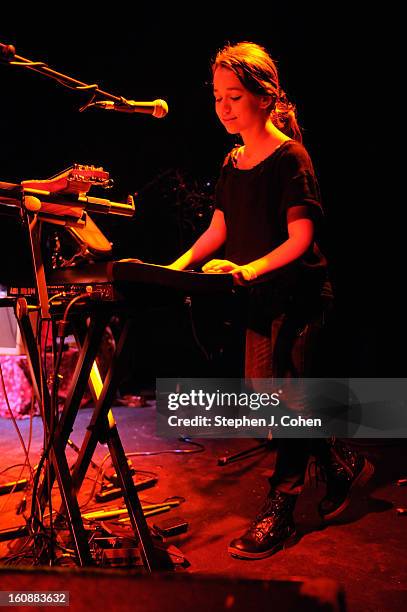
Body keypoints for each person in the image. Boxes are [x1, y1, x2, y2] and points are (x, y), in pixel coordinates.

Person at [169, 41, 374, 559]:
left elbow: (300, 239)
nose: (224, 107)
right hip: (260, 298)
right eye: (217, 97)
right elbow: (220, 227)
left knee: (285, 404)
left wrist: (247, 269)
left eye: (234, 96)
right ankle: (339, 462)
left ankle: (282, 505)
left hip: (300, 296)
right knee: (270, 402)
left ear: (264, 96)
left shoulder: (290, 157)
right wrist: (173, 269)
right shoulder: (233, 159)